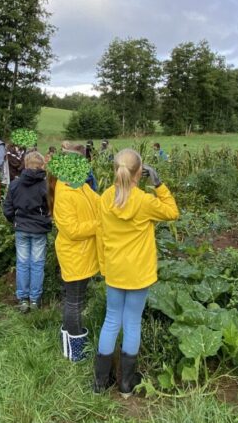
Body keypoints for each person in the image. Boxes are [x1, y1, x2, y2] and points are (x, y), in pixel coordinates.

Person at [94, 149, 179, 396]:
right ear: (140, 172)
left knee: (111, 321)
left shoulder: (105, 198)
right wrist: (159, 184)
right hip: (138, 273)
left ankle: (100, 383)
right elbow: (172, 212)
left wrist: (104, 266)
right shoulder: (144, 201)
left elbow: (100, 234)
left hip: (115, 270)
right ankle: (126, 384)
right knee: (132, 322)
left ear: (114, 170)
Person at [52, 161, 101, 362]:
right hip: (75, 256)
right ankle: (75, 352)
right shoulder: (64, 195)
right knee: (74, 302)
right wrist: (101, 224)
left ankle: (70, 339)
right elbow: (72, 230)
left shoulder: (82, 188)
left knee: (76, 299)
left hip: (84, 255)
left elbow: (100, 202)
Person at [3, 151, 52, 312]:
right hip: (39, 228)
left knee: (22, 263)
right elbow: (51, 207)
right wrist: (46, 220)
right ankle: (35, 299)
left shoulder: (15, 184)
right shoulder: (45, 185)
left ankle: (23, 298)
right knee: (37, 264)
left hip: (22, 228)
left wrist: (14, 220)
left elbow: (8, 208)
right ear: (41, 165)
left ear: (25, 164)